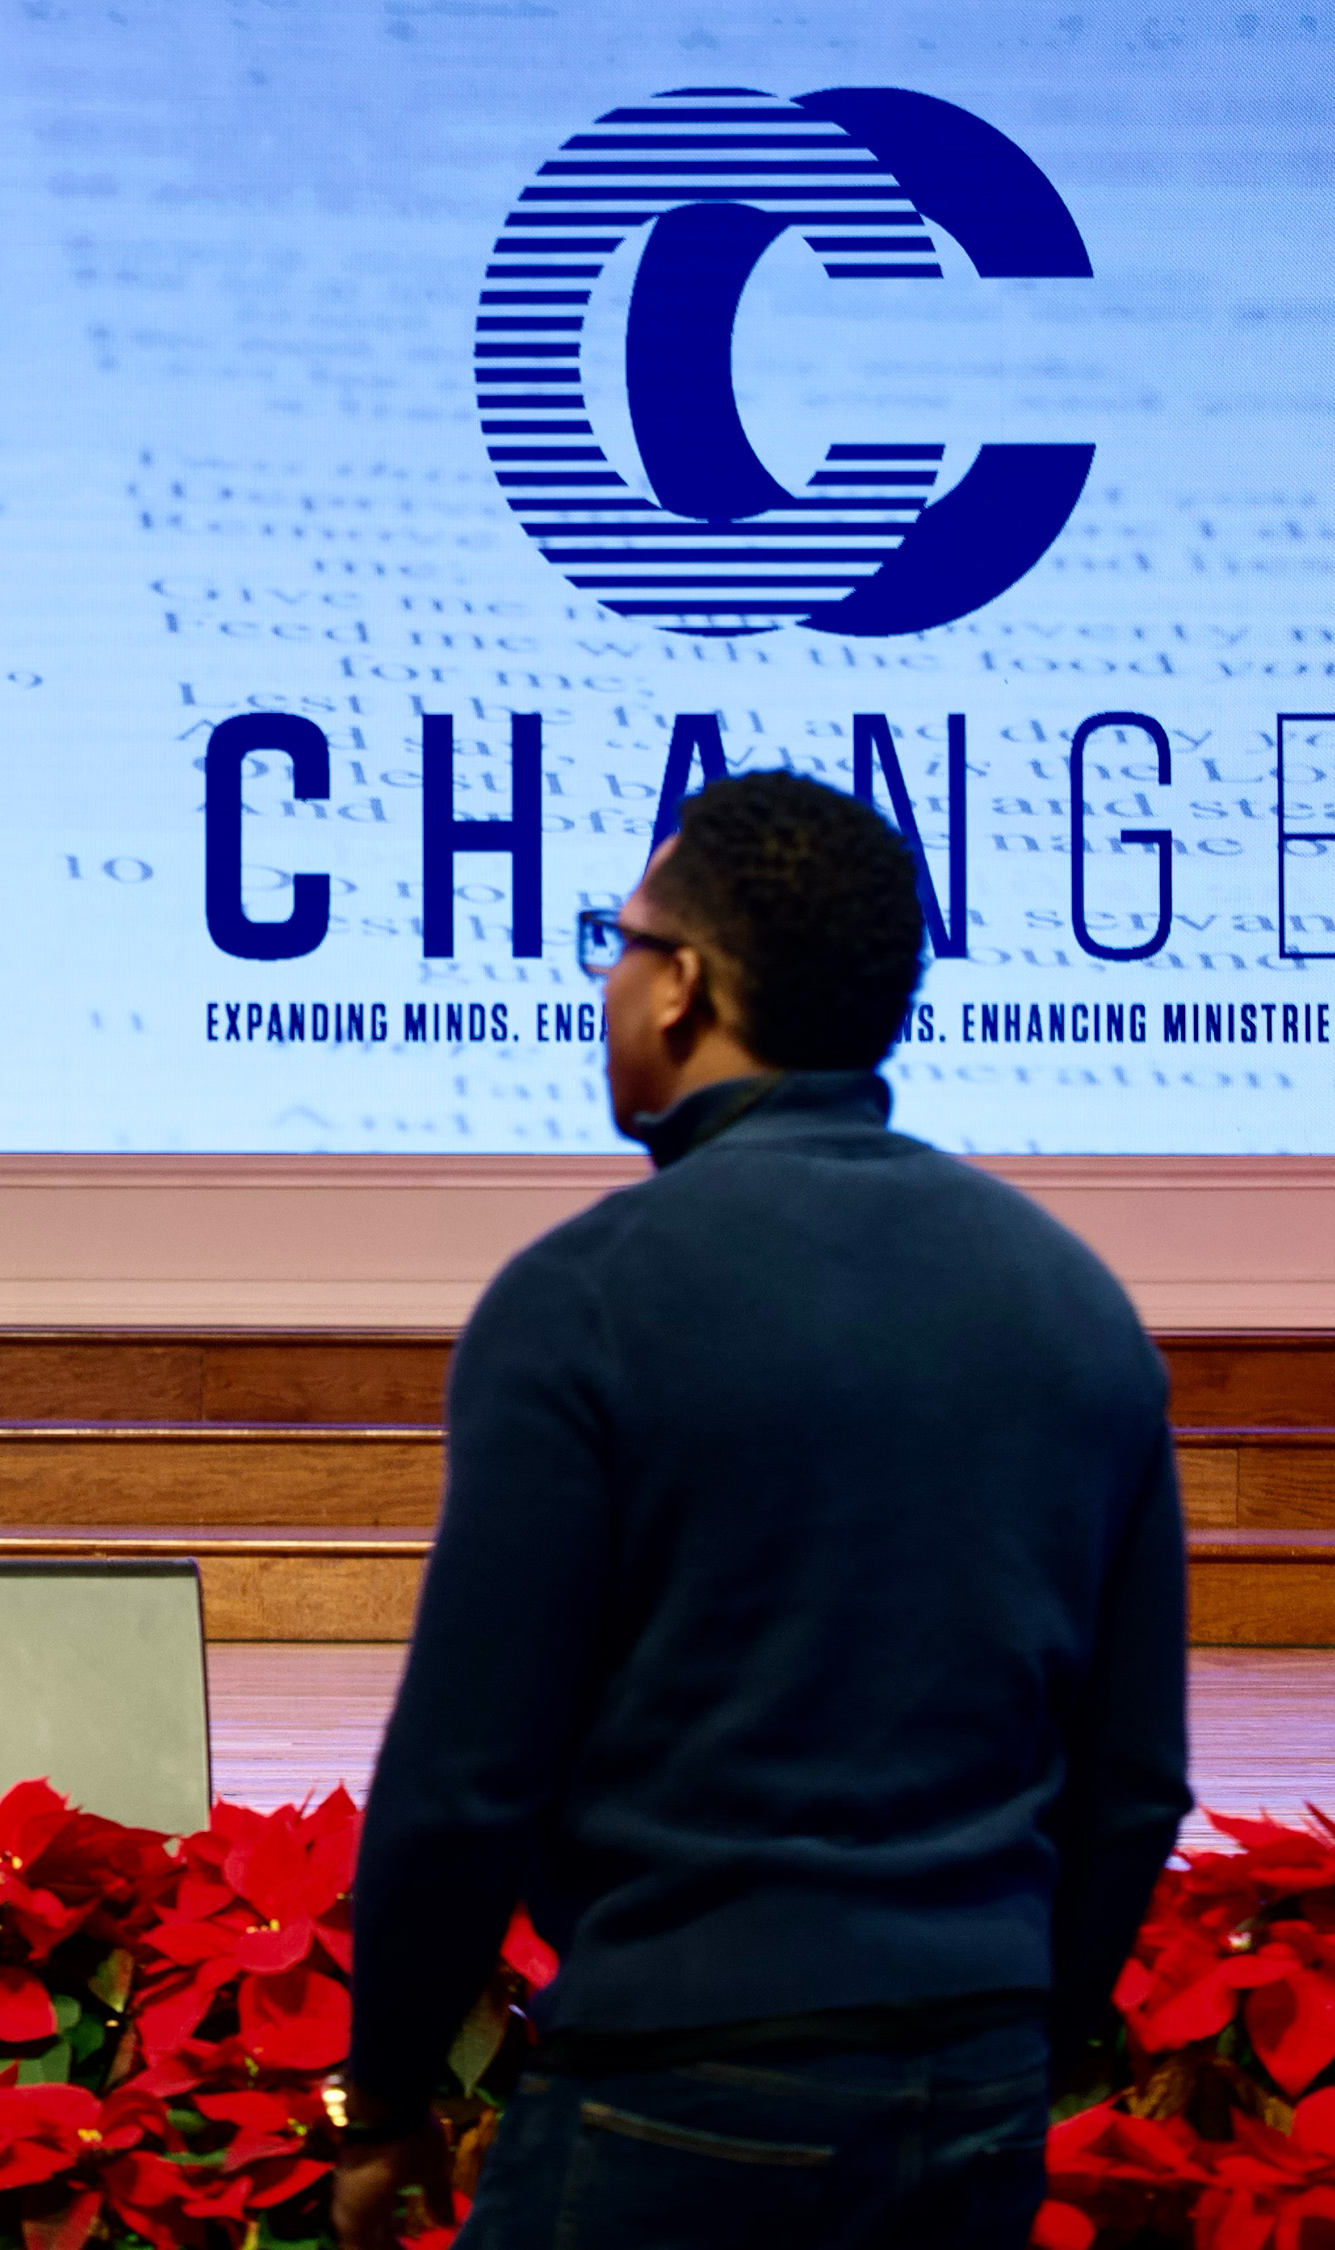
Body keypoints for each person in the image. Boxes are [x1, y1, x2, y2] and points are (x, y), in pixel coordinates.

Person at [330, 772, 1190, 2250]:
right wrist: (1014, 2038)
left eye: (619, 940)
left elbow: (467, 1780)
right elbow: (1132, 1783)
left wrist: (391, 2091)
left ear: (686, 986)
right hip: (976, 2093)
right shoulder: (1079, 1303)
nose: (605, 977)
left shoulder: (583, 1301)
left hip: (677, 2082)